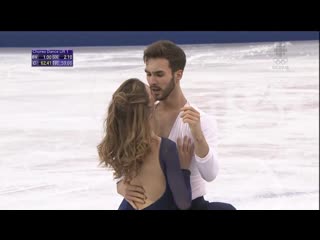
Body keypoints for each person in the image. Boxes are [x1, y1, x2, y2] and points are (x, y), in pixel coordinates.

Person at [117, 40, 236, 210]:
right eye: (148, 74)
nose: (152, 82)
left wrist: (198, 135)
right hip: (145, 204)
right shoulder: (141, 115)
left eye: (159, 74)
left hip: (187, 203)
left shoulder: (200, 120)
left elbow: (210, 174)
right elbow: (123, 164)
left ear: (178, 75)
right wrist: (121, 186)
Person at [97, 78, 194, 210]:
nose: (153, 91)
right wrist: (184, 170)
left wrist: (120, 185)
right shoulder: (165, 149)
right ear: (148, 109)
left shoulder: (120, 144)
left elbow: (124, 177)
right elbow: (184, 203)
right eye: (150, 92)